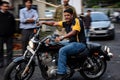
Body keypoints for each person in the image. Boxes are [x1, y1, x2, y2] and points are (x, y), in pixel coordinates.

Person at [39, 8, 86, 80]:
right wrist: (43, 22)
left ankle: (61, 74)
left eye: (68, 15)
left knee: (62, 50)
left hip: (79, 44)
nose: (66, 17)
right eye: (65, 15)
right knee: (54, 44)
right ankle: (56, 65)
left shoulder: (77, 21)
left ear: (72, 15)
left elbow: (74, 32)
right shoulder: (66, 22)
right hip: (71, 42)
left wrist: (62, 37)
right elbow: (54, 23)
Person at [0, 1, 16, 67]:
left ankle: (9, 62)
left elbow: (14, 24)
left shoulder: (10, 15)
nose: (6, 8)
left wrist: (13, 33)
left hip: (9, 36)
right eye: (5, 6)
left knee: (10, 50)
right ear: (1, 6)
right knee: (0, 50)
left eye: (7, 6)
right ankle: (1, 62)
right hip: (0, 36)